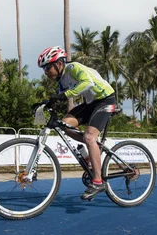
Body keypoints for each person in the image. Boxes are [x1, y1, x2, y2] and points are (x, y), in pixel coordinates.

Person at [37, 46, 116, 201]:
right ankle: (93, 148)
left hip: (105, 99)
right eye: (44, 69)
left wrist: (63, 96)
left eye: (47, 67)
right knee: (65, 124)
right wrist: (44, 104)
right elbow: (59, 97)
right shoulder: (62, 80)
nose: (46, 72)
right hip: (91, 103)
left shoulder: (73, 67)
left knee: (89, 137)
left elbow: (88, 83)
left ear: (59, 63)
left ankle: (98, 181)